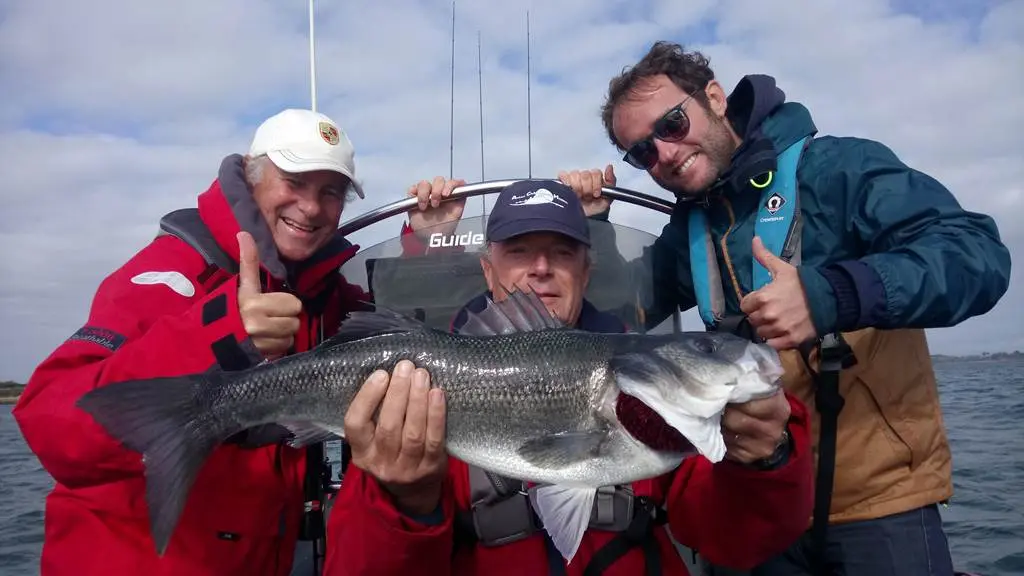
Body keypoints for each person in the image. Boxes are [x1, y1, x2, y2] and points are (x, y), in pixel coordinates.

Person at [557, 41, 1012, 576]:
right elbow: (624, 313)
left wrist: (831, 295)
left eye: (672, 124)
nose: (665, 153)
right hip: (756, 500)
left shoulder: (839, 169)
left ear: (715, 98)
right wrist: (594, 227)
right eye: (642, 152)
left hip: (880, 504)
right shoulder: (691, 230)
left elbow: (976, 255)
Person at [13, 108, 441, 575]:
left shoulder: (320, 292)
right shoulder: (172, 273)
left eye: (331, 192)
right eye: (294, 182)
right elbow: (49, 424)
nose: (313, 207)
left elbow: (384, 333)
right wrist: (221, 333)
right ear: (252, 176)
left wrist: (419, 243)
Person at [322, 178, 817, 575]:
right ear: (488, 271)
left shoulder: (658, 385)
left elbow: (736, 543)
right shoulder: (423, 381)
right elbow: (356, 565)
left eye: (562, 252)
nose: (541, 268)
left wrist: (764, 461)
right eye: (519, 251)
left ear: (586, 269)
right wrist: (402, 499)